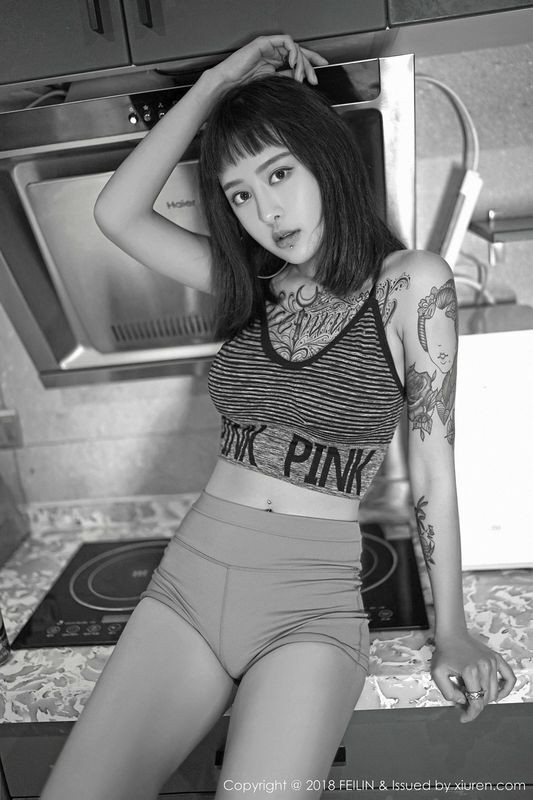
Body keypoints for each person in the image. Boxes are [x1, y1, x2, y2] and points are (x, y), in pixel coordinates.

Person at [40, 34, 516, 800]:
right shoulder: (251, 286)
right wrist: (216, 81)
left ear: (324, 160)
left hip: (308, 604)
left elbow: (433, 467)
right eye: (238, 194)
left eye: (278, 173)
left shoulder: (409, 285)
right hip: (189, 581)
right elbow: (117, 213)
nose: (264, 211)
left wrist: (451, 628)